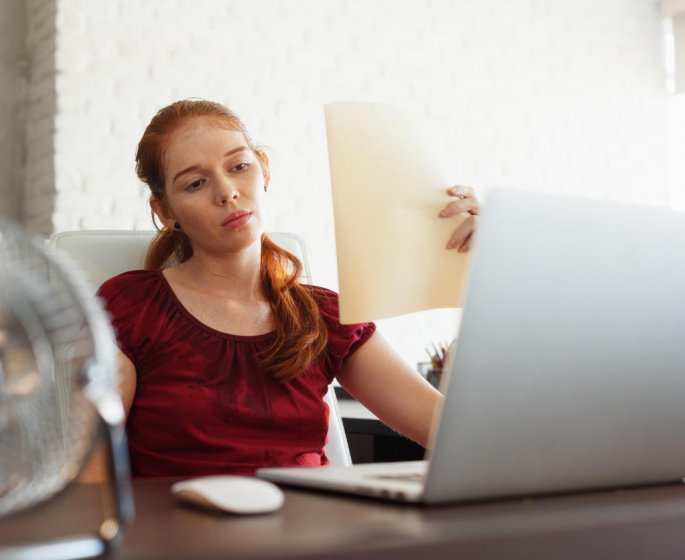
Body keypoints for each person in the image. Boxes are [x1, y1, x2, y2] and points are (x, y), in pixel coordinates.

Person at [96, 98, 479, 478]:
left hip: (310, 531)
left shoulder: (324, 316)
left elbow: (460, 436)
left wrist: (494, 259)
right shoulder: (131, 308)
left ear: (264, 170)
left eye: (239, 166)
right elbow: (89, 477)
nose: (227, 191)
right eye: (196, 183)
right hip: (181, 535)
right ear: (165, 212)